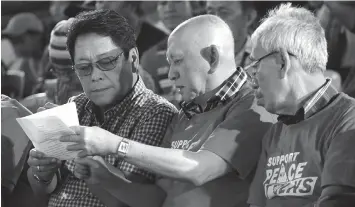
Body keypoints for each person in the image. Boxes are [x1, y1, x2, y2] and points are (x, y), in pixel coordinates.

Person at [60, 14, 277, 207]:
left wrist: (115, 145)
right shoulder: (185, 114)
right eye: (169, 63)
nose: (171, 74)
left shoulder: (252, 106)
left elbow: (200, 169)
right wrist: (104, 177)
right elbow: (158, 198)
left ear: (212, 57)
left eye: (178, 61)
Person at [26, 10, 177, 207]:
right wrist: (42, 173)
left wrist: (78, 159)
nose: (95, 76)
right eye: (84, 67)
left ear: (133, 60)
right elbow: (42, 193)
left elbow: (127, 202)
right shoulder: (76, 105)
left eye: (106, 62)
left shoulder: (155, 113)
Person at [246, 3, 355, 207]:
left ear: (282, 62)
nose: (251, 79)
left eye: (255, 65)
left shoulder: (349, 120)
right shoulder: (275, 133)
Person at [141, 1, 194, 105]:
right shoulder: (151, 57)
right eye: (163, 3)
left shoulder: (213, 42)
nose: (169, 8)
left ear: (193, 4)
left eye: (177, 1)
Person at [2, 13, 46, 98]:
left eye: (17, 40)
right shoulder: (22, 68)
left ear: (36, 36)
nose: (14, 46)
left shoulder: (54, 60)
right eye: (11, 40)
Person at [206, 1, 257, 67]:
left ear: (249, 18)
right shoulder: (197, 58)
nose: (215, 20)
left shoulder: (264, 58)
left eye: (224, 13)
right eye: (211, 13)